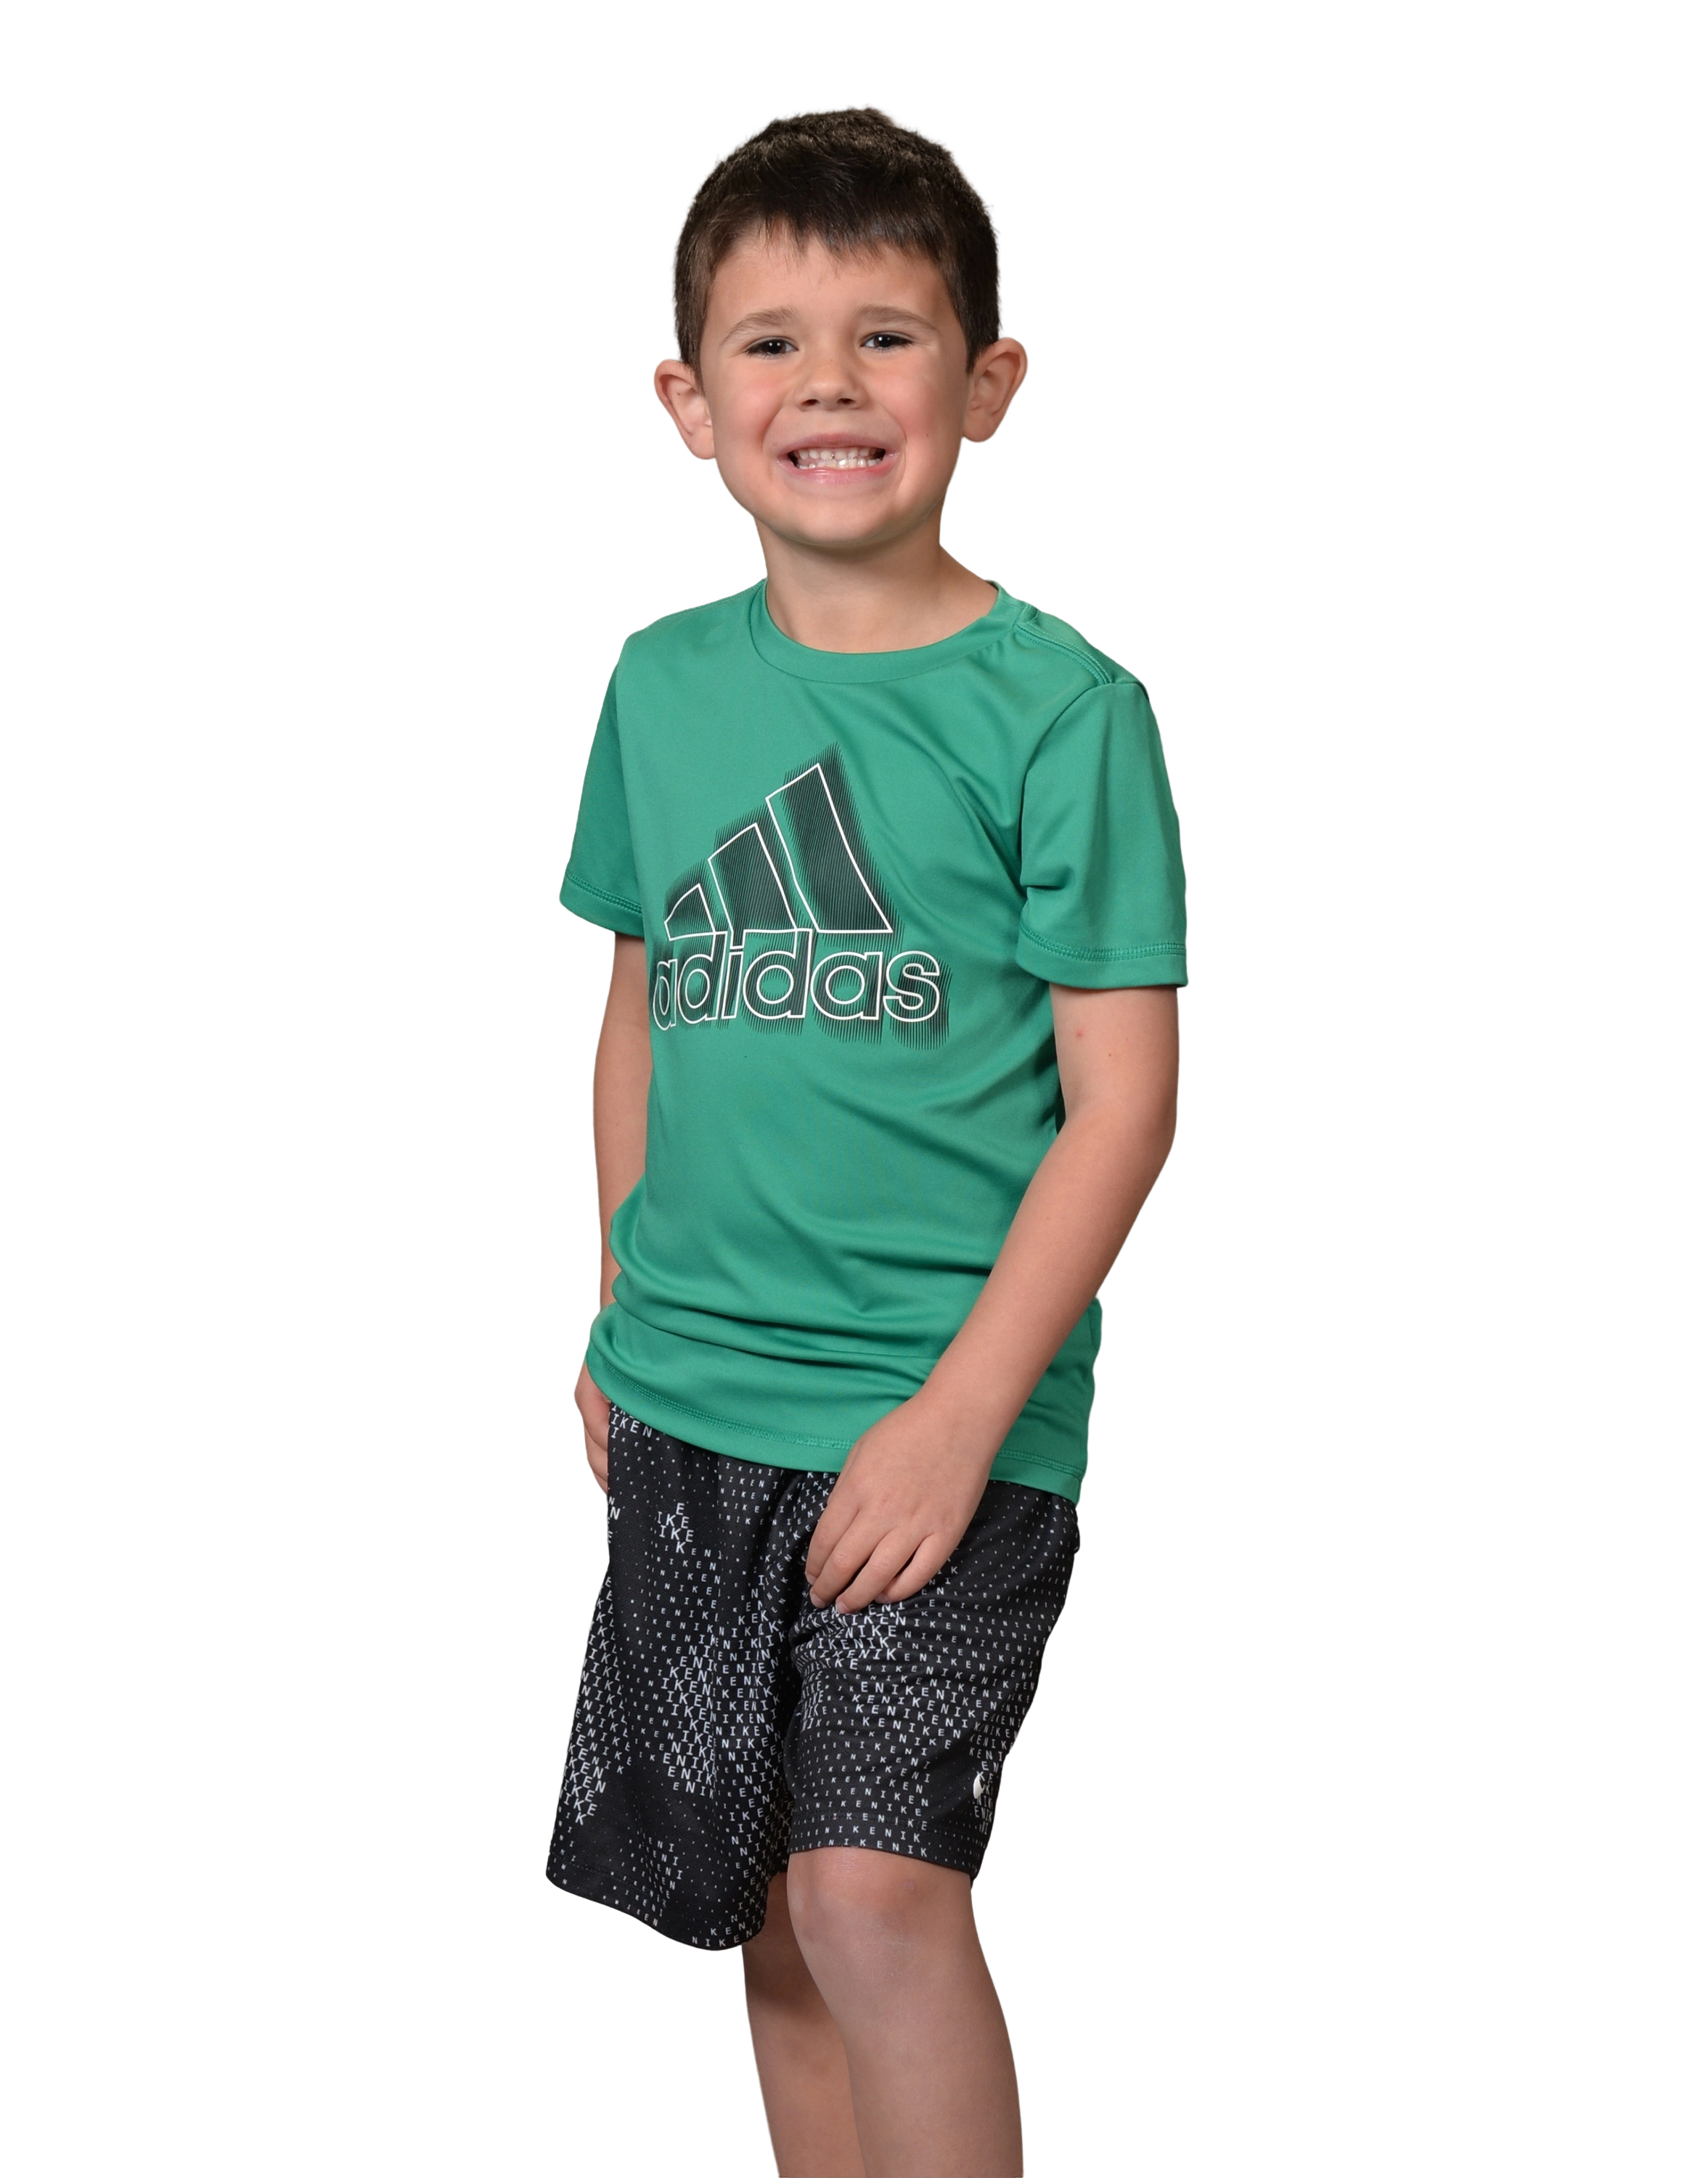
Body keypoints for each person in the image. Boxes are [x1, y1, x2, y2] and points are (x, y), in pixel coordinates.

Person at [544, 102, 1188, 2178]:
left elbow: (1126, 1102)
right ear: (688, 403)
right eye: (772, 343)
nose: (828, 384)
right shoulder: (660, 685)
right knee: (765, 1916)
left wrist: (959, 1417)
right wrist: (621, 1303)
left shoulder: (1063, 710)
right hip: (693, 1395)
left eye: (886, 337)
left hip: (945, 1413)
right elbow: (643, 1008)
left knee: (875, 1893)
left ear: (987, 384)